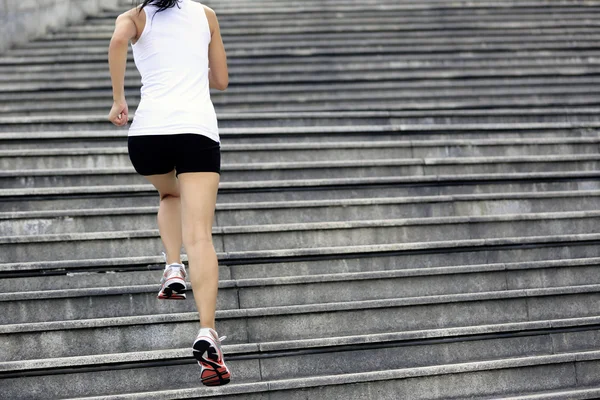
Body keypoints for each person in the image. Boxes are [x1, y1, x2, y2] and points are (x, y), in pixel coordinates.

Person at [107, 0, 230, 386]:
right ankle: (207, 332)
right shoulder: (206, 15)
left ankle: (172, 267)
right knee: (201, 235)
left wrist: (119, 99)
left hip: (148, 135)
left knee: (169, 195)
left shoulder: (133, 17)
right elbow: (221, 80)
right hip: (196, 131)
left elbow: (116, 43)